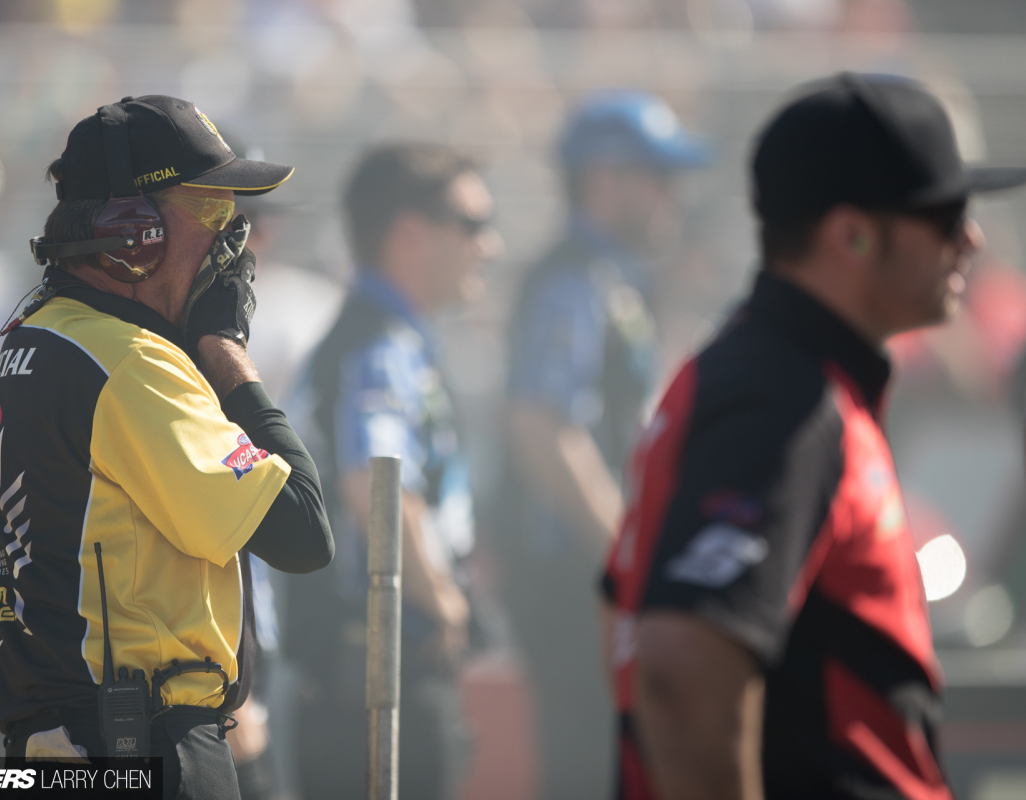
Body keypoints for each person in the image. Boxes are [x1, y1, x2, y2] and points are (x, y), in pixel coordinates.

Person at [603, 72, 1026, 800]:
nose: (972, 240)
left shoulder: (771, 374)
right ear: (851, 236)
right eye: (945, 215)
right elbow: (679, 665)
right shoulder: (785, 399)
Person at [0, 95, 333, 799]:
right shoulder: (130, 361)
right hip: (141, 745)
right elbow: (302, 528)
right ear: (128, 233)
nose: (235, 241)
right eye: (212, 214)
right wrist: (224, 351)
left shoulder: (35, 339)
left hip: (68, 741)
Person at [499, 89, 709, 799]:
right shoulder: (573, 281)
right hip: (572, 571)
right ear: (605, 179)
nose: (671, 197)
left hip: (594, 568)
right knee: (589, 760)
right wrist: (627, 558)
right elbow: (543, 428)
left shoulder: (614, 277)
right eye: (658, 176)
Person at [285, 142, 500, 800]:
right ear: (410, 234)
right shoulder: (380, 348)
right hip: (374, 683)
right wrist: (444, 599)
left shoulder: (378, 338)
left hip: (365, 678)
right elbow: (372, 484)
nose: (488, 246)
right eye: (472, 226)